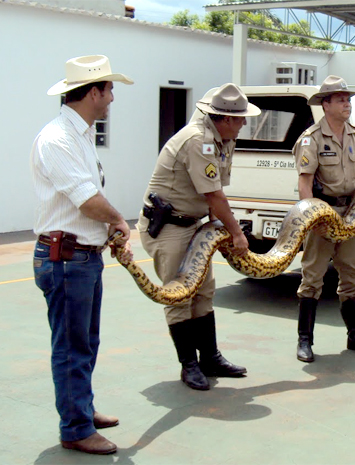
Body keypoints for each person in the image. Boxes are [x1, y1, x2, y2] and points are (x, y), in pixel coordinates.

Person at [31, 55, 133, 455]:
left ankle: (82, 411)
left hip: (82, 257)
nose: (111, 99)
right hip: (66, 258)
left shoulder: (80, 136)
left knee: (85, 342)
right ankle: (74, 428)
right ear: (93, 92)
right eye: (109, 90)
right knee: (72, 345)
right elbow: (87, 201)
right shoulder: (58, 139)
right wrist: (119, 222)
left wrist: (107, 228)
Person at [138, 83, 260, 390]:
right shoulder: (198, 141)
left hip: (193, 224)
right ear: (225, 119)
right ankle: (188, 365)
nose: (244, 123)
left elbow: (214, 197)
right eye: (240, 118)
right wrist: (236, 235)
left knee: (204, 290)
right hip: (169, 227)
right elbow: (215, 195)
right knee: (180, 295)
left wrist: (217, 231)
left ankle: (210, 357)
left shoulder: (222, 139)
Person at [293, 75, 355, 363]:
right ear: (325, 104)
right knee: (312, 278)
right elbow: (305, 183)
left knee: (352, 276)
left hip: (350, 214)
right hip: (323, 213)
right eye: (341, 99)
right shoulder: (311, 138)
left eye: (348, 99)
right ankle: (305, 340)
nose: (347, 104)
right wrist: (312, 217)